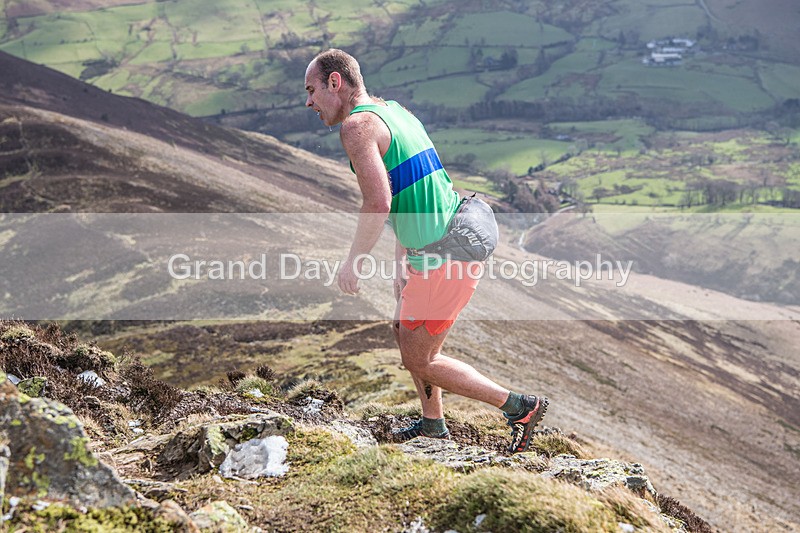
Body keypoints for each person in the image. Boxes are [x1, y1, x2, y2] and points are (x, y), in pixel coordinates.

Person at [304, 49, 548, 453]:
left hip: (444, 257)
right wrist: (403, 261)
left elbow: (379, 203)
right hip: (439, 246)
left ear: (335, 83)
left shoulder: (357, 127)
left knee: (420, 359)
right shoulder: (394, 112)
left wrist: (353, 263)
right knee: (404, 332)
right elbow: (417, 187)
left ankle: (519, 407)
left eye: (312, 90)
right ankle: (433, 424)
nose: (308, 102)